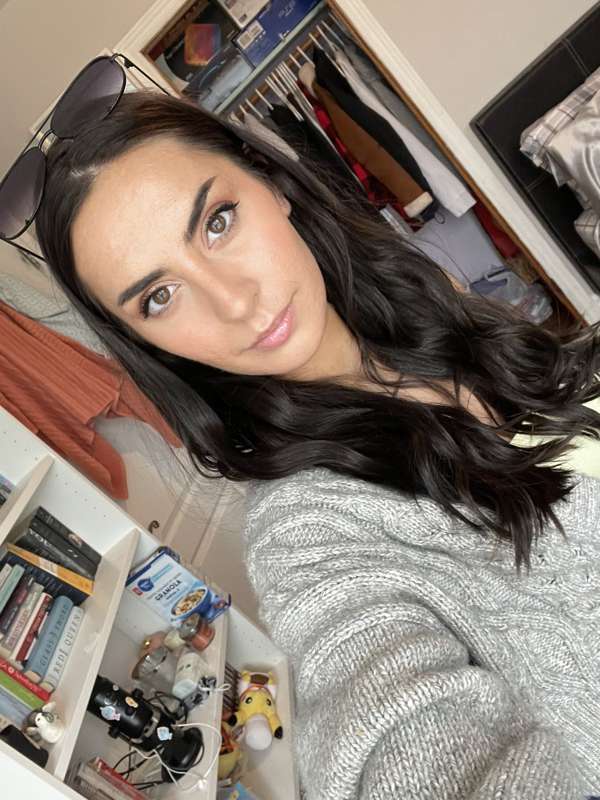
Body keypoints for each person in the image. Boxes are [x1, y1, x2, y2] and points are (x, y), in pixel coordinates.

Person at [3, 84, 600, 799]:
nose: (235, 301)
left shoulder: (428, 312)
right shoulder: (304, 529)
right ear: (146, 343)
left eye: (217, 221)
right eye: (159, 297)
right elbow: (384, 716)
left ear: (274, 184)